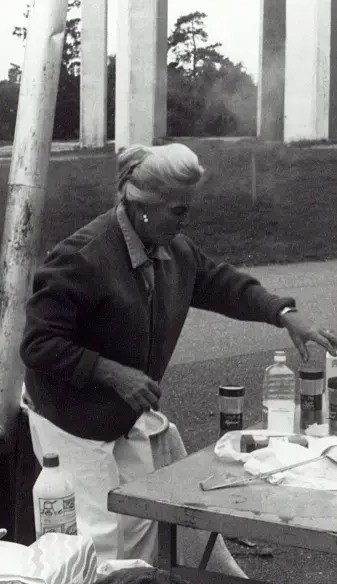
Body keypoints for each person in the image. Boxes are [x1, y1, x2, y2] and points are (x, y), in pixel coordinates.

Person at [19, 143, 337, 566]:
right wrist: (114, 373)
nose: (186, 220)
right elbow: (38, 345)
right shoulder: (81, 259)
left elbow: (222, 284)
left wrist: (283, 314)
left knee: (140, 521)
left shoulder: (173, 250)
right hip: (70, 419)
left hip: (120, 414)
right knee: (99, 539)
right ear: (142, 207)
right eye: (178, 210)